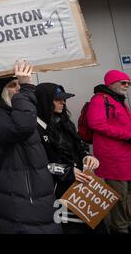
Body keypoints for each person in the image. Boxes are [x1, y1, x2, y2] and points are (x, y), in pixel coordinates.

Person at [0, 61, 61, 234]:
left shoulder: (19, 111)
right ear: (2, 91)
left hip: (38, 193)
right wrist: (27, 88)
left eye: (20, 84)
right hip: (20, 197)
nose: (18, 88)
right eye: (13, 85)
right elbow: (21, 129)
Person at [35, 83, 105, 234]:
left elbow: (80, 146)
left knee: (97, 225)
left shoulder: (66, 122)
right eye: (57, 99)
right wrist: (66, 170)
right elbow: (36, 164)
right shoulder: (35, 129)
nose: (63, 102)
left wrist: (87, 157)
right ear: (45, 101)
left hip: (83, 187)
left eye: (64, 99)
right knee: (73, 229)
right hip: (58, 192)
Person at [87, 70, 131, 234]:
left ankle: (127, 224)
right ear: (111, 83)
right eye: (123, 82)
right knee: (119, 196)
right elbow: (96, 124)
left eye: (128, 83)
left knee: (128, 195)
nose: (126, 86)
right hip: (114, 158)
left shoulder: (119, 100)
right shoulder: (100, 99)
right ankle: (120, 228)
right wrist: (127, 135)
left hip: (126, 156)